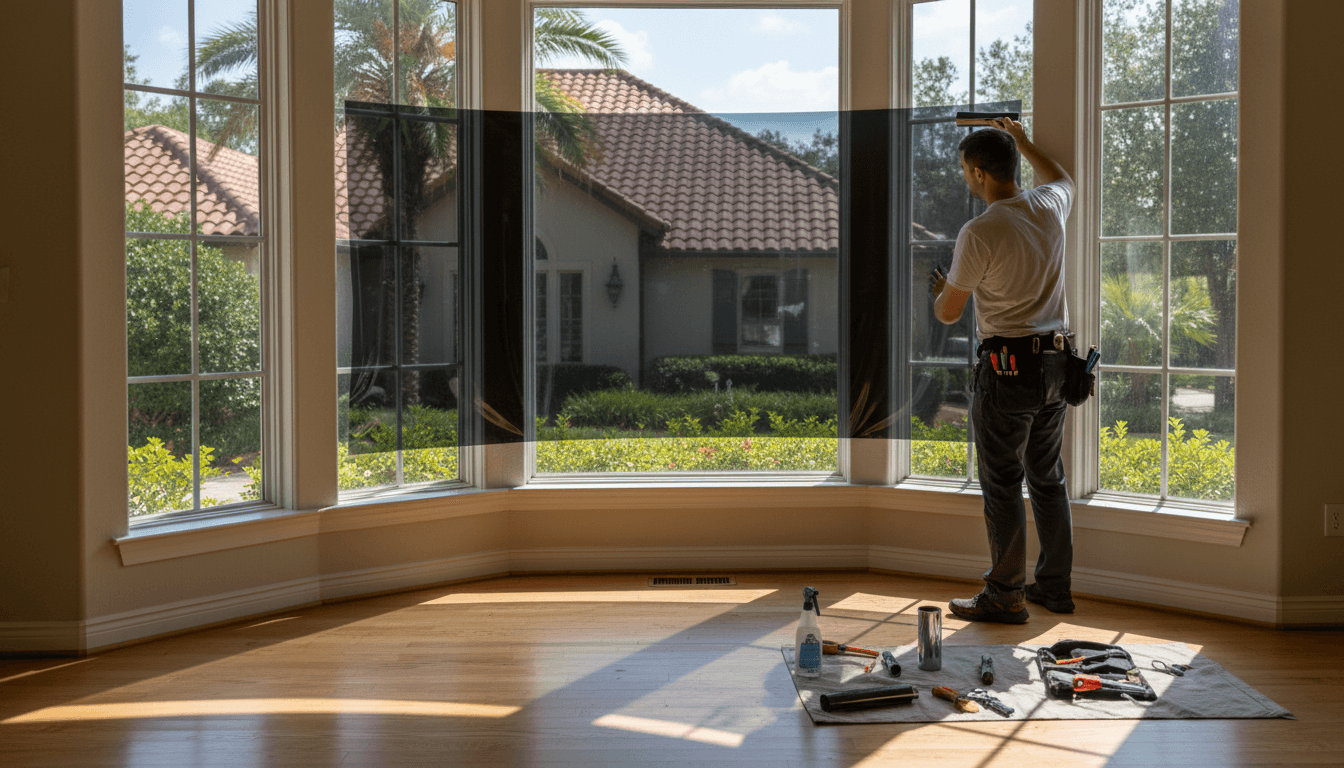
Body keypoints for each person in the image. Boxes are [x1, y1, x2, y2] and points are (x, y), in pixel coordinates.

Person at [928, 117, 1076, 623]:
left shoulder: (980, 231)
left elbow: (949, 313)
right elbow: (1062, 177)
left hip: (1008, 369)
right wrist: (1025, 140)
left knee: (1003, 483)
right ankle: (1054, 587)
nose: (965, 179)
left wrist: (943, 291)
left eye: (965, 171)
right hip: (1057, 364)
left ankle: (1006, 595)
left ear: (979, 173)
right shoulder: (1050, 205)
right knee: (1047, 478)